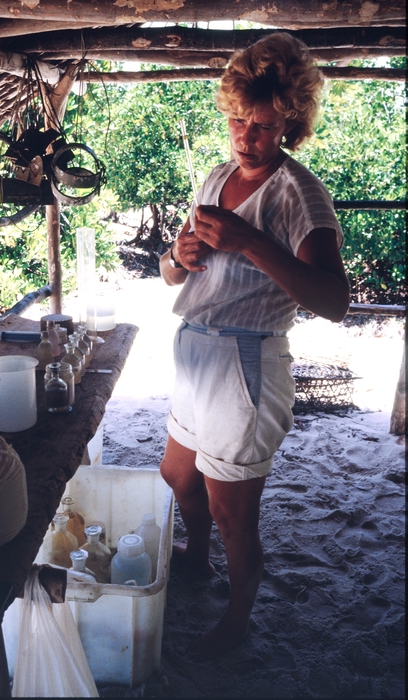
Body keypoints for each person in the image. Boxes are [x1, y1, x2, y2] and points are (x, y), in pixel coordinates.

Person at [159, 32, 350, 660]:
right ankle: (195, 556)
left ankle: (239, 617)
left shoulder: (299, 195)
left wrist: (249, 243)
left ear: (289, 124)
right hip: (195, 350)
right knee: (176, 475)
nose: (246, 137)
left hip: (246, 361)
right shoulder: (216, 175)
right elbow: (174, 270)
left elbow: (334, 300)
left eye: (263, 127)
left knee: (232, 513)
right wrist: (176, 258)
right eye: (239, 120)